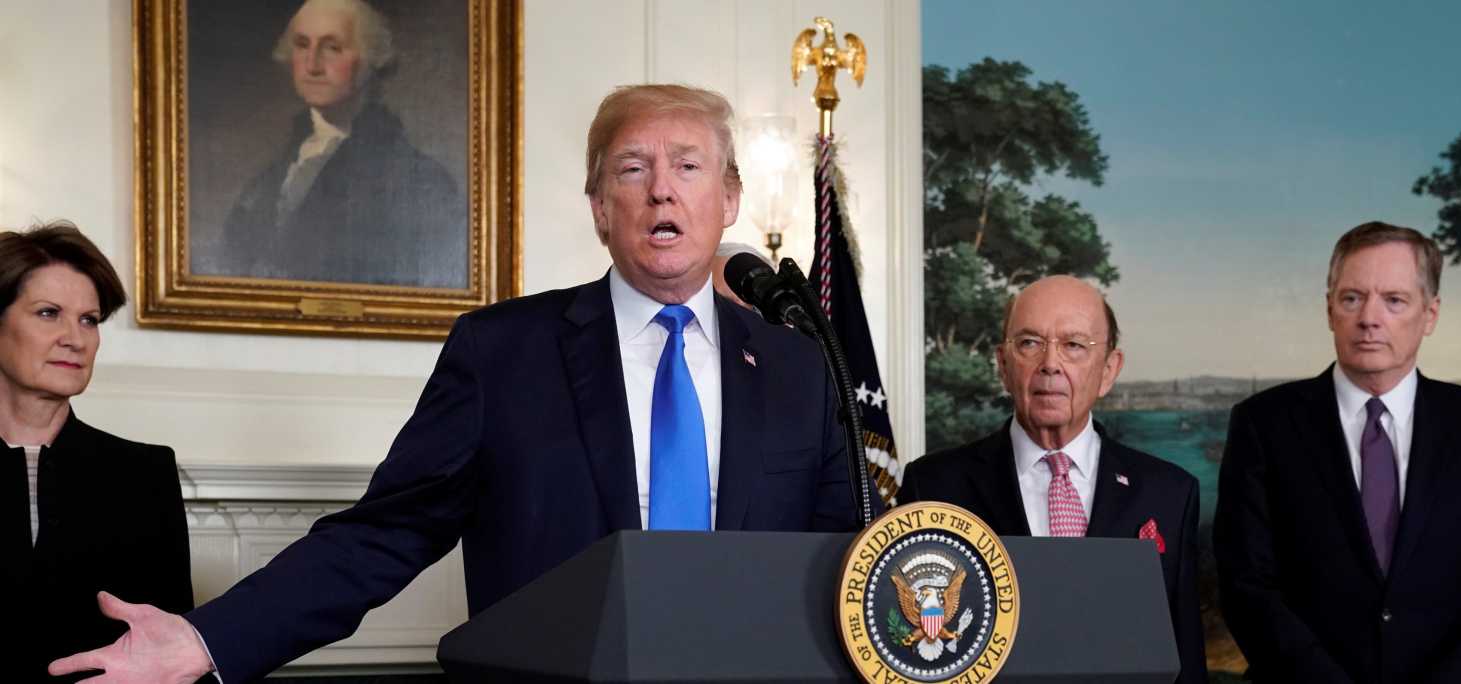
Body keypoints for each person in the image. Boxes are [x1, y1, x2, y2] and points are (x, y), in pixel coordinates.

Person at [51, 84, 866, 683]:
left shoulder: (799, 365)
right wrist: (207, 640)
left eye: (688, 166)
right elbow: (384, 534)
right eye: (632, 168)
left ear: (728, 200)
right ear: (598, 207)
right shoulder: (503, 353)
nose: (662, 188)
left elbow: (838, 561)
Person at [1215, 222, 1461, 683]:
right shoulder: (1263, 424)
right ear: (1329, 309)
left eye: (1394, 300)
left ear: (1430, 314)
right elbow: (1247, 585)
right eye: (1352, 298)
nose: (1369, 318)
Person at [898, 275, 1208, 684]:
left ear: (1109, 370)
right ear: (1003, 365)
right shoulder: (933, 486)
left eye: (1074, 345)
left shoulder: (1169, 494)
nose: (1050, 363)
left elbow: (1184, 661)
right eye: (1030, 343)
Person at [0, 222, 193, 681]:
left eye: (89, 319)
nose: (76, 338)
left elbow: (170, 651)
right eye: (49, 313)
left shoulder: (145, 474)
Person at [204, 0, 467, 288]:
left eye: (332, 48)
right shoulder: (273, 175)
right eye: (302, 45)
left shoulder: (420, 181)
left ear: (370, 60)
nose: (312, 65)